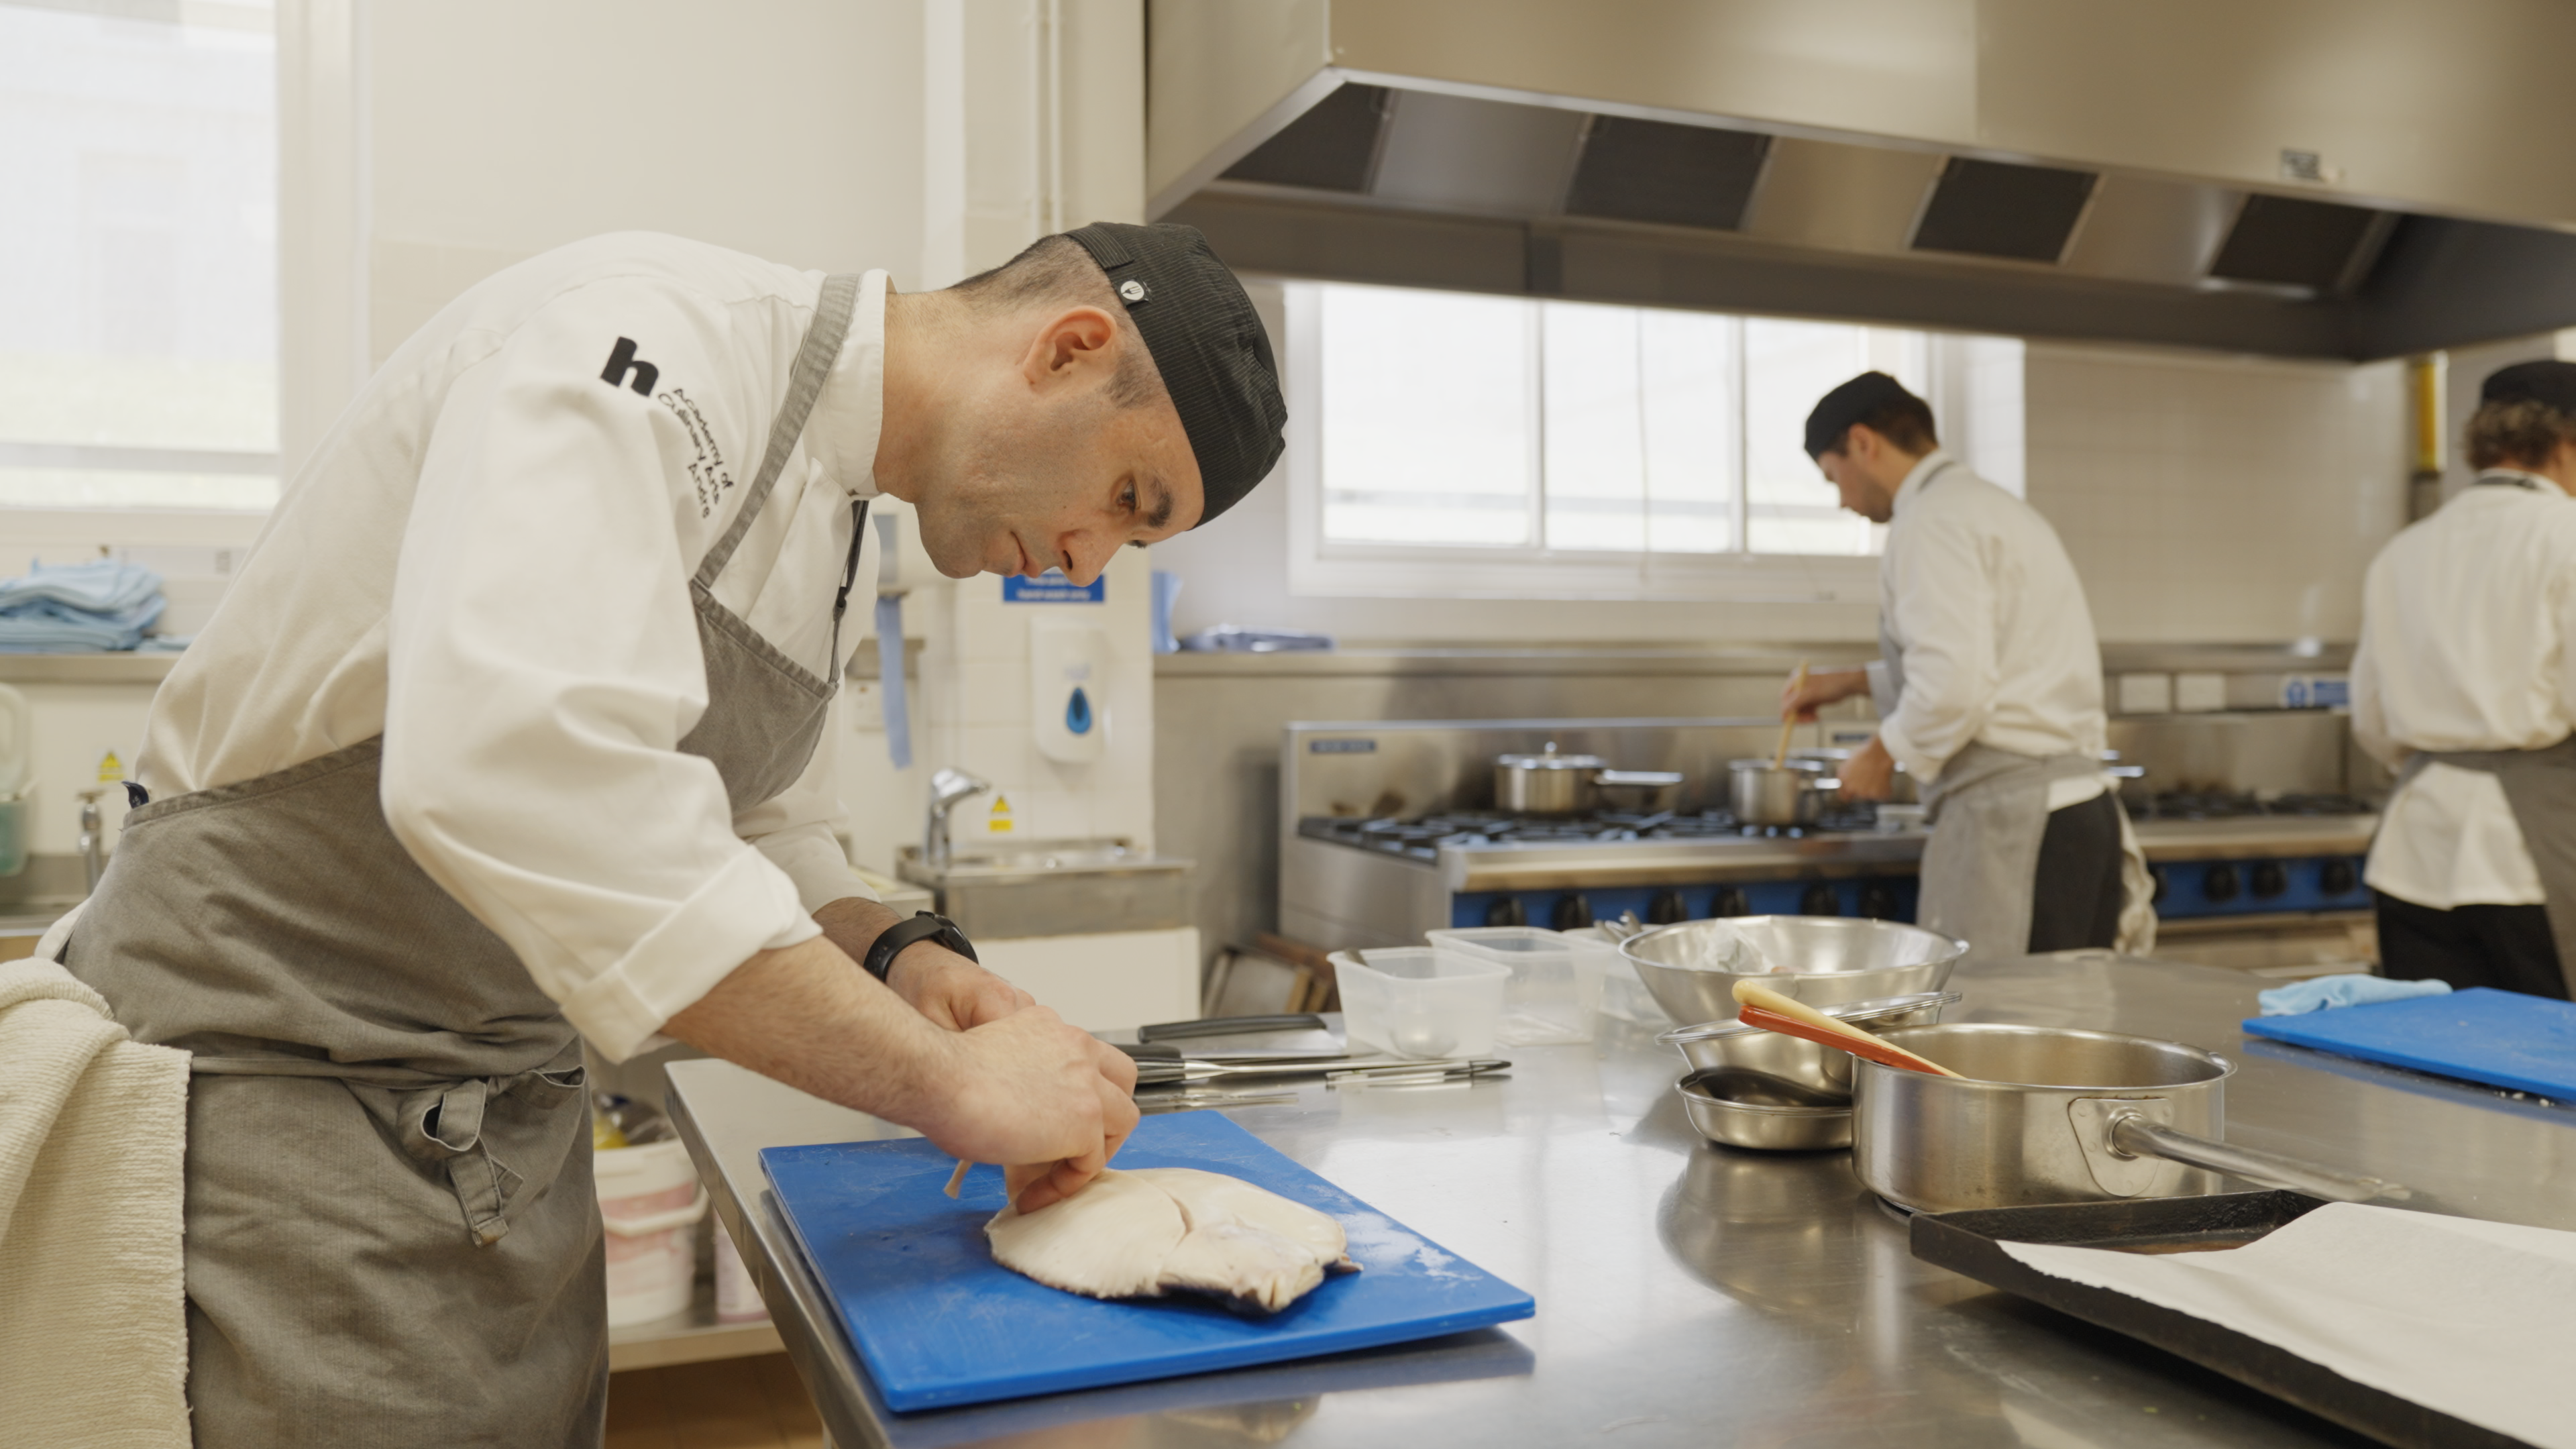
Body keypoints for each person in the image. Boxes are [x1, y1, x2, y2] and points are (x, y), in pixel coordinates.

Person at [50, 222, 1287, 1446]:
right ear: (1067, 349)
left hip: (499, 1139)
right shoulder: (645, 343)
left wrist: (908, 962)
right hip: (284, 1116)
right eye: (1127, 498)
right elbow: (513, 770)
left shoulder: (841, 510)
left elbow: (758, 827)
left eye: (1135, 542)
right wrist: (952, 1087)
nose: (1087, 563)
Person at [1780, 372, 2145, 958]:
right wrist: (1849, 682)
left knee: (2002, 1025)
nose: (1842, 500)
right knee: (2062, 1031)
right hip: (2078, 813)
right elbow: (1994, 662)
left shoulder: (1930, 522)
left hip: (2018, 828)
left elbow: (1954, 688)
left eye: (1833, 476)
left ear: (1863, 443)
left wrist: (1879, 754)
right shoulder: (1992, 508)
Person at [2350, 360, 2576, 1000]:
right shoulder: (2567, 535)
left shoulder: (2407, 548)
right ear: (2564, 444)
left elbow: (2370, 716)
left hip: (2414, 853)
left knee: (2437, 1073)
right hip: (2531, 859)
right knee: (2550, 1074)